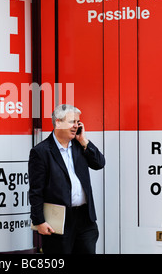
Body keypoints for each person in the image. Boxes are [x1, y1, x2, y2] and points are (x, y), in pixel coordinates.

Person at [28, 104, 106, 254]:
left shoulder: (80, 145)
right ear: (58, 122)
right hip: (59, 221)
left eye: (78, 122)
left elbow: (99, 163)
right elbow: (36, 190)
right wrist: (39, 221)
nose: (76, 126)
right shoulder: (41, 152)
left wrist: (84, 141)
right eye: (72, 122)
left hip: (85, 219)